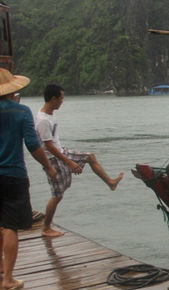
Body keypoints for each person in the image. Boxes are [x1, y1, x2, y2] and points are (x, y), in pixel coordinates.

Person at [0, 67, 57, 290]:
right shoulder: (21, 111)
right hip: (14, 174)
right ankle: (8, 278)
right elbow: (33, 144)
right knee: (10, 227)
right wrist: (47, 166)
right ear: (11, 89)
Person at [35, 83, 123, 238]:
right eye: (61, 98)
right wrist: (69, 162)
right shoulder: (42, 120)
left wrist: (69, 160)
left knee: (90, 157)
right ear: (54, 98)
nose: (62, 101)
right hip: (54, 159)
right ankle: (45, 227)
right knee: (57, 195)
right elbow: (48, 146)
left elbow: (53, 142)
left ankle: (111, 183)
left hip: (62, 153)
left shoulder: (50, 115)